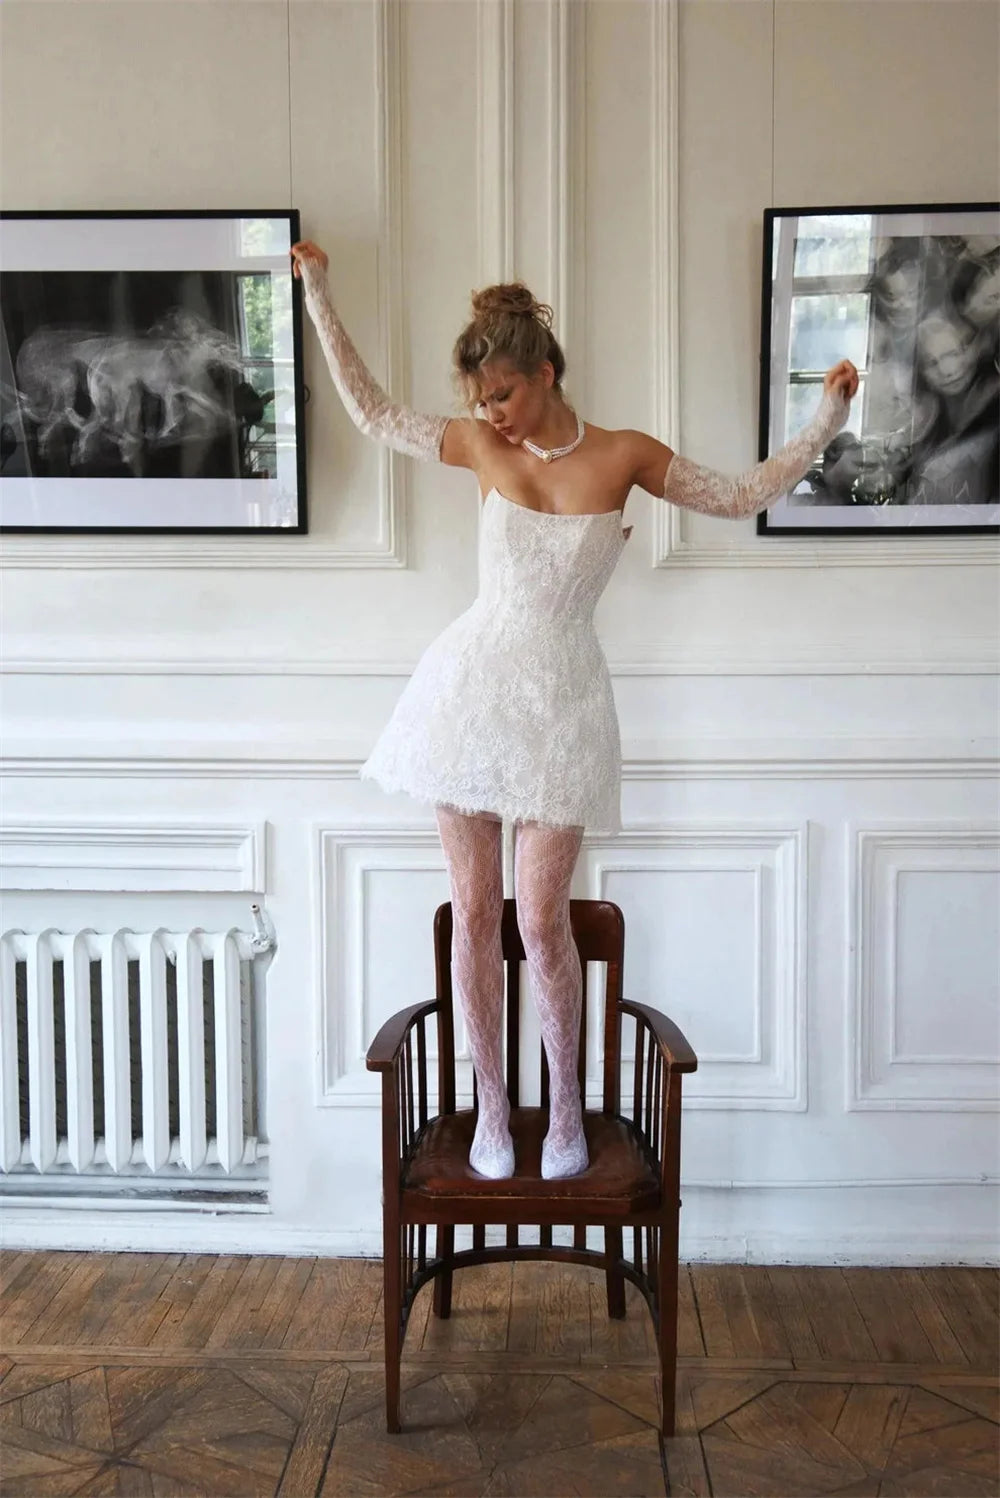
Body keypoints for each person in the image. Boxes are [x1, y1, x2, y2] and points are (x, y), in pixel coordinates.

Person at [290, 238, 858, 1181]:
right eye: (480, 401)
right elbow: (373, 411)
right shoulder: (475, 445)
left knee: (542, 918)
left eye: (503, 394)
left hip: (563, 706)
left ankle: (561, 1115)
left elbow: (741, 492)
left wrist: (826, 420)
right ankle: (487, 1116)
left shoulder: (623, 454)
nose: (491, 415)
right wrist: (316, 293)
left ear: (545, 374)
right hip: (467, 695)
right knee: (475, 913)